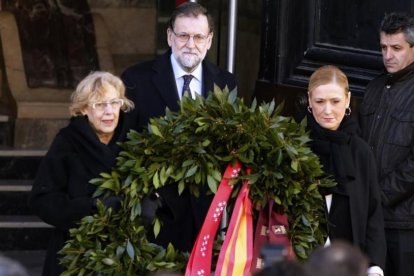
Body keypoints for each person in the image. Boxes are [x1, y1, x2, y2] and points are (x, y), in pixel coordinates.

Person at [120, 2, 237, 253]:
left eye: (198, 37)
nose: (190, 44)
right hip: (154, 215)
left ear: (210, 40)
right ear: (170, 36)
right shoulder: (135, 80)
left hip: (204, 214)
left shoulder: (226, 83)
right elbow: (123, 146)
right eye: (183, 35)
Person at [28, 71, 134, 275]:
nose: (109, 111)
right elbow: (41, 199)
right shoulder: (67, 142)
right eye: (100, 105)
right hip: (75, 253)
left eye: (114, 102)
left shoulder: (133, 139)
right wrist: (91, 207)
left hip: (125, 253)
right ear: (84, 109)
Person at [306, 65, 386, 275]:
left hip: (349, 265)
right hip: (303, 263)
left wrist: (374, 266)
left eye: (335, 101)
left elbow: (372, 213)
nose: (327, 110)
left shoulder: (361, 152)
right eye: (320, 101)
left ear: (348, 100)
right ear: (309, 100)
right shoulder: (292, 145)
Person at [359, 12, 414, 276]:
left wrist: (377, 196)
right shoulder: (374, 87)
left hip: (405, 225)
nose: (388, 55)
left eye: (396, 48)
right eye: (383, 48)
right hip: (371, 222)